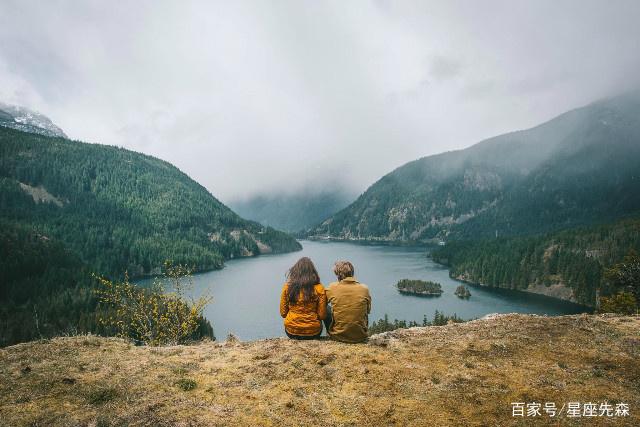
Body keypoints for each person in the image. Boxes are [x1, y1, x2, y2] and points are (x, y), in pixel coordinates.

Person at [279, 257, 327, 339]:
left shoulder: (287, 287)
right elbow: (322, 315)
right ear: (313, 272)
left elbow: (283, 313)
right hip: (313, 332)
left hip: (292, 331)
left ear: (295, 271)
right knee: (328, 308)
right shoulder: (319, 288)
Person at [324, 260, 371, 343]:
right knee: (362, 310)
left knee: (326, 308)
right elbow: (368, 310)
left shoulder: (332, 287)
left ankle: (329, 333)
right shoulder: (364, 289)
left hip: (337, 336)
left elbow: (322, 304)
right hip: (361, 336)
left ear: (337, 274)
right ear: (352, 273)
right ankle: (358, 331)